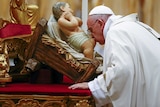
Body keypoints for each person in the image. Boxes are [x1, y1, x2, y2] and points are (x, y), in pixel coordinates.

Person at [69, 5, 160, 107]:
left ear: (100, 23)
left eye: (91, 30)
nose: (91, 36)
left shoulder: (116, 32)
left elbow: (122, 70)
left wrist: (94, 86)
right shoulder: (130, 26)